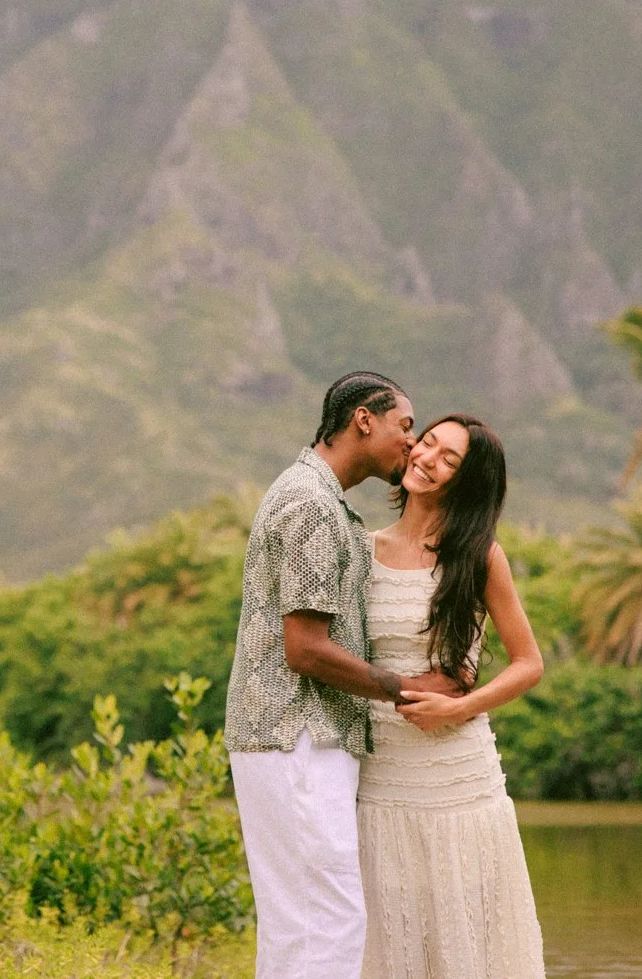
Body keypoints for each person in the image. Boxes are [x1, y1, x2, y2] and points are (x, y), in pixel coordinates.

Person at [224, 372, 463, 978]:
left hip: (291, 738)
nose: (412, 445)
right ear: (363, 420)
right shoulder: (310, 505)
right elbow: (305, 649)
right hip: (297, 734)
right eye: (405, 427)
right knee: (328, 919)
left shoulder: (317, 498)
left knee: (301, 923)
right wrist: (401, 686)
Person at [357, 413, 546, 979]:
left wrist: (461, 706)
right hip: (382, 773)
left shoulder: (480, 555)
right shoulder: (361, 549)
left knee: (469, 939)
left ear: (467, 481)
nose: (428, 460)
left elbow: (529, 663)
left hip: (458, 777)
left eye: (450, 460)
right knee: (389, 933)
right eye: (428, 443)